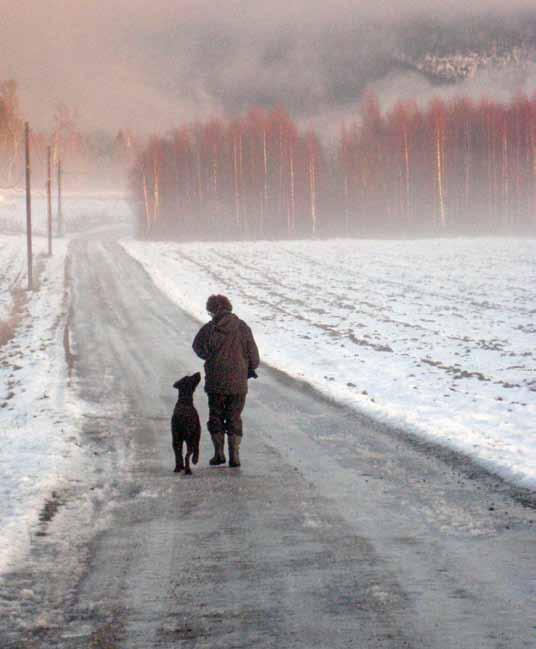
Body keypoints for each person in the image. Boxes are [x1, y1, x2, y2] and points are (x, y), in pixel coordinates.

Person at [193, 295, 260, 467]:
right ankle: (235, 455)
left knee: (215, 415)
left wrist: (211, 357)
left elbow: (198, 348)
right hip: (238, 383)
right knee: (234, 417)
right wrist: (247, 367)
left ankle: (219, 454)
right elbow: (255, 358)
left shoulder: (210, 329)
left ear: (212, 310)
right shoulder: (243, 327)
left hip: (216, 381)